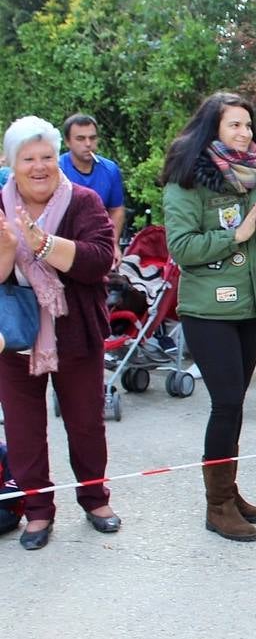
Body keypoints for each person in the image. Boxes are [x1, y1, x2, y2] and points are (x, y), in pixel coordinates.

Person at [161, 91, 256, 543]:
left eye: (248, 125)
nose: (244, 133)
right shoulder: (186, 181)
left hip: (252, 307)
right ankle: (217, 506)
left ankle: (228, 492)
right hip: (208, 310)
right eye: (234, 125)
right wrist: (237, 233)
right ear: (212, 127)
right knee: (227, 402)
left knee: (235, 405)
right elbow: (182, 249)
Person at [0, 115, 120, 550]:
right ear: (11, 164)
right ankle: (37, 511)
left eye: (47, 156)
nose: (39, 166)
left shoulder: (84, 201)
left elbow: (98, 260)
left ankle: (95, 499)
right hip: (15, 338)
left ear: (59, 159)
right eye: (28, 158)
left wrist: (44, 244)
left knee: (86, 423)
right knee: (23, 429)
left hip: (76, 332)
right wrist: (10, 250)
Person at [58, 114, 127, 265]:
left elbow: (116, 209)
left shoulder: (110, 169)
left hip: (99, 240)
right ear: (68, 141)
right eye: (80, 139)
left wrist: (112, 244)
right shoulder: (57, 169)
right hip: (64, 243)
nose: (88, 144)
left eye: (93, 138)